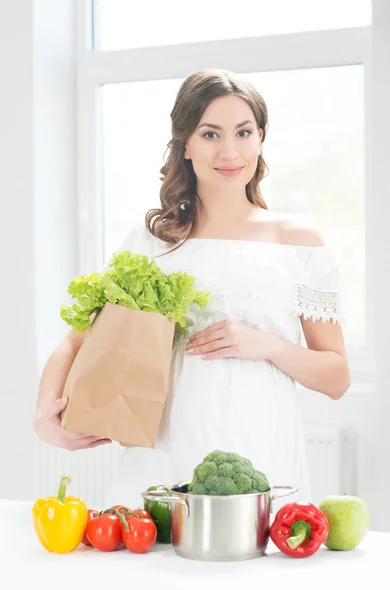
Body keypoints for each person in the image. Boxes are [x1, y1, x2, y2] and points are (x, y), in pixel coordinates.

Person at [34, 68, 350, 508]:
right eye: (210, 134)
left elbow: (336, 376)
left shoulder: (300, 243)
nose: (229, 151)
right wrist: (44, 416)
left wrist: (269, 345)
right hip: (160, 452)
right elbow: (74, 343)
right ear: (185, 144)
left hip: (260, 449)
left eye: (243, 132)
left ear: (260, 138)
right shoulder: (151, 242)